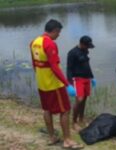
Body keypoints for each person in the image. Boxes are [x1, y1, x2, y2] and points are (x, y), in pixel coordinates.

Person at [30, 19, 83, 149]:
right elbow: (54, 67)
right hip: (54, 85)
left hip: (42, 83)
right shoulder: (50, 44)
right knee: (65, 110)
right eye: (58, 32)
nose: (59, 35)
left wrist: (41, 77)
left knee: (46, 109)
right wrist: (67, 84)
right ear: (54, 31)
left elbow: (34, 64)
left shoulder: (34, 42)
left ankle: (52, 137)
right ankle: (67, 140)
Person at [67, 35, 96, 132]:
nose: (88, 48)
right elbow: (69, 69)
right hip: (77, 78)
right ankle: (74, 122)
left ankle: (81, 119)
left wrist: (92, 77)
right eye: (87, 46)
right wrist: (69, 84)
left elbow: (87, 65)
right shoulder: (72, 53)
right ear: (82, 44)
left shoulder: (85, 51)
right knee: (79, 99)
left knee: (84, 100)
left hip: (86, 78)